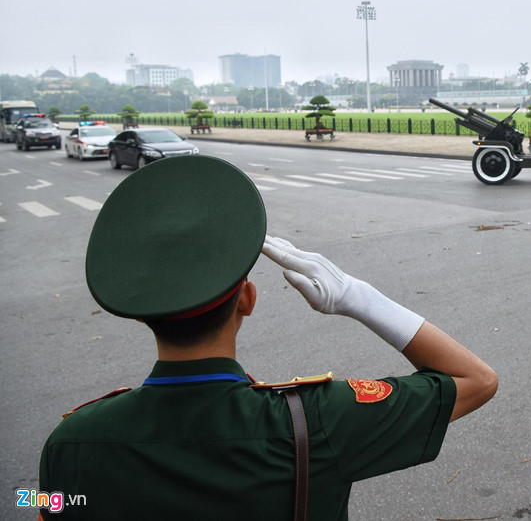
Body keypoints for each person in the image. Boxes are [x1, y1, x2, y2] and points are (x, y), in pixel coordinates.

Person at [37, 156, 497, 520]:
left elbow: (44, 507)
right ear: (248, 300)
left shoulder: (70, 442)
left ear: (143, 316)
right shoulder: (317, 422)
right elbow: (476, 379)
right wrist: (359, 297)